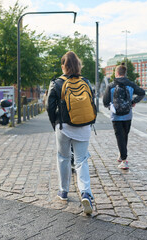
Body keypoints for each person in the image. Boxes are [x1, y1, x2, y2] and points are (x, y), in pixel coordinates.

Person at [46, 51, 94, 214]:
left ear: (63, 66)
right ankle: (86, 192)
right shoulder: (86, 82)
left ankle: (63, 191)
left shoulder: (56, 83)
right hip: (84, 127)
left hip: (64, 126)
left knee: (63, 157)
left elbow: (49, 107)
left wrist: (55, 123)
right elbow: (92, 103)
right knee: (81, 160)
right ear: (78, 65)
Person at [103, 63, 145, 170]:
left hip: (115, 116)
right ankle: (122, 154)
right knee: (124, 135)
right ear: (124, 73)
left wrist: (110, 106)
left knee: (119, 136)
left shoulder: (111, 85)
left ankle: (124, 160)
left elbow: (105, 102)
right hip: (128, 115)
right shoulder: (130, 84)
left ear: (116, 73)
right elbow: (142, 93)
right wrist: (133, 101)